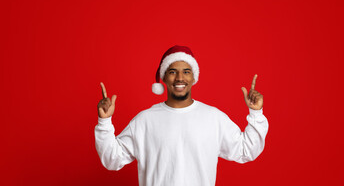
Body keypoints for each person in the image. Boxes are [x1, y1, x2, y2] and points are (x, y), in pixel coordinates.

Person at [95, 45, 269, 186]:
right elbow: (112, 159)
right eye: (172, 72)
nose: (180, 78)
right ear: (164, 77)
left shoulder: (213, 118)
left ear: (194, 78)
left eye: (186, 71)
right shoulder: (145, 120)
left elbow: (246, 150)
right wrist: (104, 122)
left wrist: (256, 113)